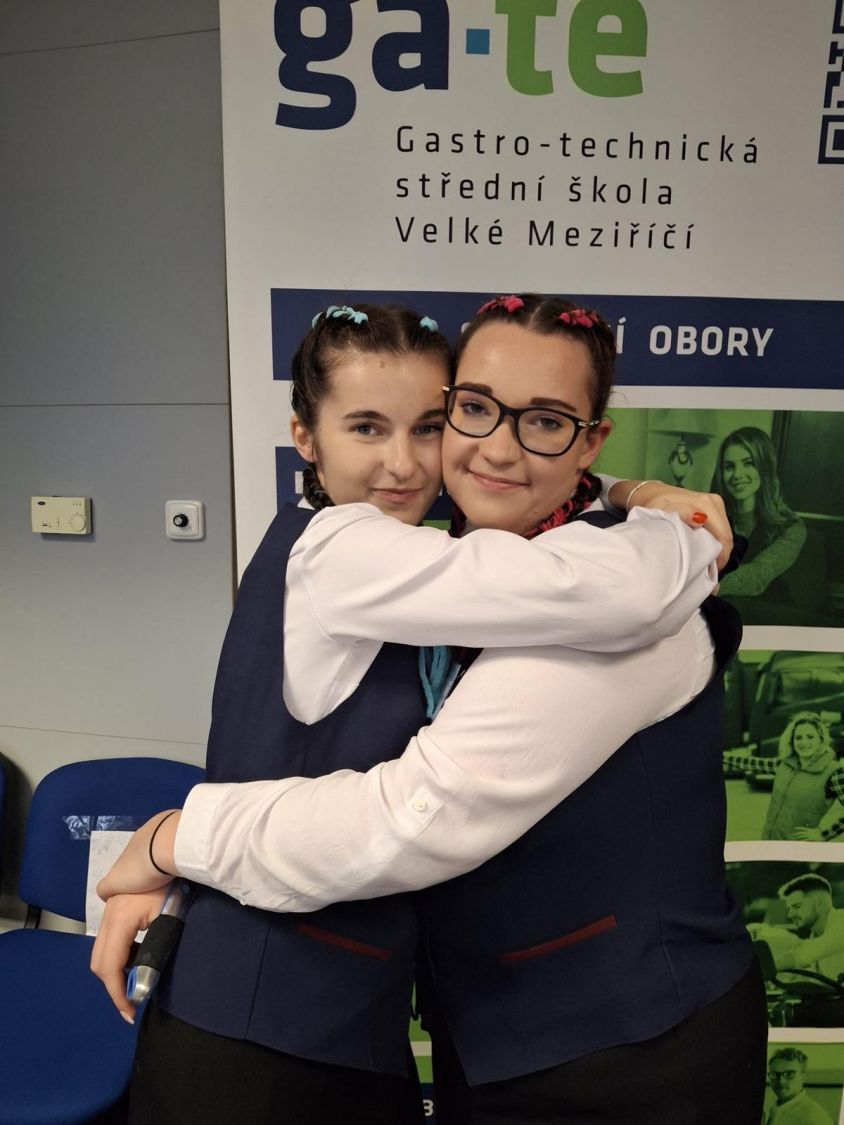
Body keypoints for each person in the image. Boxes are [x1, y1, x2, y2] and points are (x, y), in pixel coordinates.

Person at [95, 295, 764, 1124]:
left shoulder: (566, 583)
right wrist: (670, 518)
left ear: (589, 440)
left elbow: (415, 813)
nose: (419, 461)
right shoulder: (358, 550)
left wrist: (175, 840)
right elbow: (598, 586)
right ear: (305, 436)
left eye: (427, 426)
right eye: (475, 410)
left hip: (631, 1055)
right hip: (289, 1027)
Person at [711, 426, 806, 602]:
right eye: (729, 467)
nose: (737, 474)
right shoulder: (713, 518)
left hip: (767, 612)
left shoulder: (792, 528)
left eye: (748, 463)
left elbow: (757, 577)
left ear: (764, 467)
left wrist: (703, 586)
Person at [734, 713, 843, 840]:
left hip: (800, 847)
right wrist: (721, 757)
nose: (804, 742)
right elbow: (751, 763)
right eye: (798, 738)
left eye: (810, 737)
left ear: (821, 740)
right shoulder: (784, 764)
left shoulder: (833, 772)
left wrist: (825, 834)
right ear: (791, 741)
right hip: (769, 841)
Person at [772, 873, 844, 982]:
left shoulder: (842, 920)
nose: (790, 915)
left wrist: (761, 969)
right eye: (789, 909)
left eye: (797, 906)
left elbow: (802, 955)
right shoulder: (815, 936)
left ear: (819, 904)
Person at [763, 1048, 834, 1125]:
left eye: (789, 1074)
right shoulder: (770, 1111)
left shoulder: (816, 1118)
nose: (781, 1081)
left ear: (803, 1077)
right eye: (775, 1074)